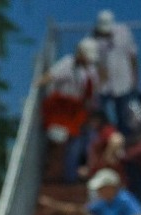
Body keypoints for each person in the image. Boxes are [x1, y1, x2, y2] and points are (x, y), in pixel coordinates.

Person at [40, 38, 99, 182]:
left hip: (78, 112)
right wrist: (37, 84)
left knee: (79, 145)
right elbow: (50, 76)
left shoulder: (91, 71)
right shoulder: (67, 63)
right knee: (58, 143)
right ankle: (57, 177)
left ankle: (71, 177)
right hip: (61, 111)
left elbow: (92, 93)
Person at [91, 10, 140, 136]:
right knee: (98, 113)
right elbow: (93, 61)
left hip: (123, 81)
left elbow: (132, 55)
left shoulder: (124, 32)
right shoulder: (93, 38)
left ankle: (125, 143)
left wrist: (135, 76)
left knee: (124, 116)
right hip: (104, 85)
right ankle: (103, 139)